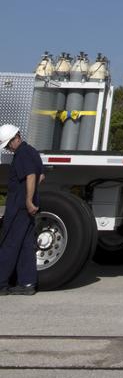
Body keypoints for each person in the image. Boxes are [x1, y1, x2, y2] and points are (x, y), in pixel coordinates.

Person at [0, 124, 44, 295]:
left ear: (15, 137)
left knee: (9, 243)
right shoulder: (32, 152)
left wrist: (27, 199)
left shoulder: (22, 154)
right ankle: (27, 284)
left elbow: (31, 176)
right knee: (26, 245)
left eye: (8, 144)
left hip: (19, 207)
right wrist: (33, 198)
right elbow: (41, 175)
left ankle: (1, 282)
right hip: (26, 208)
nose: (9, 148)